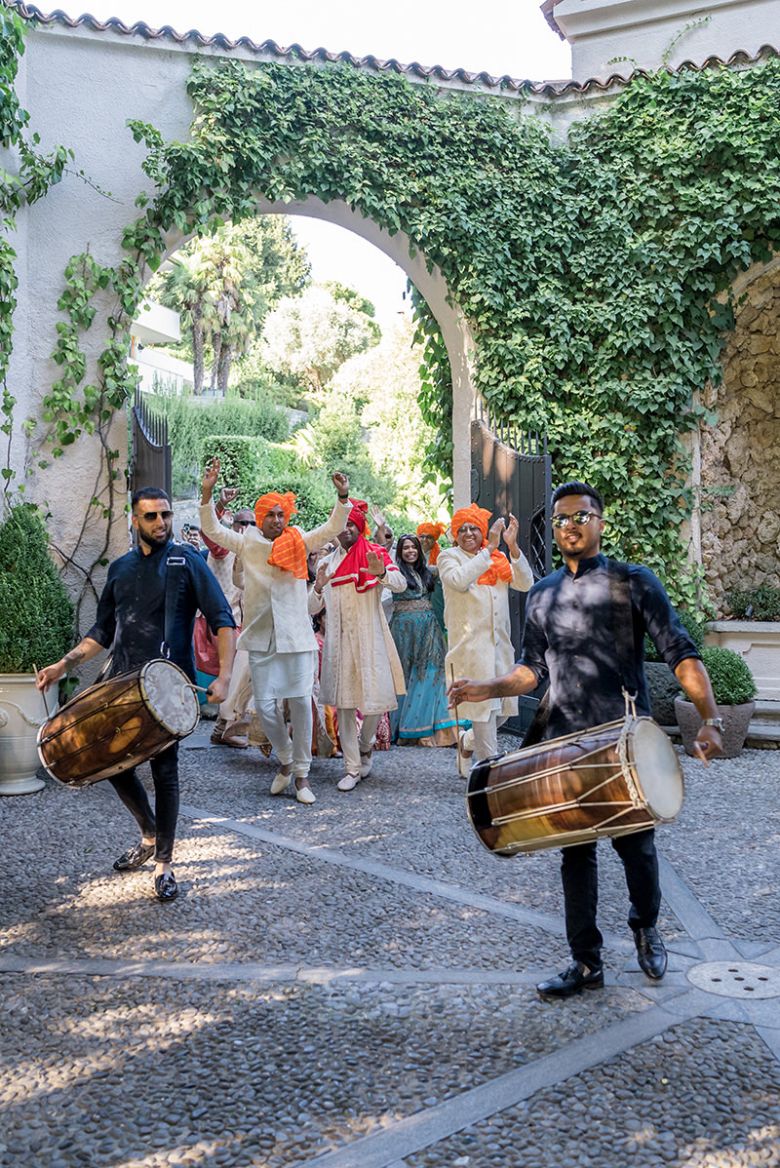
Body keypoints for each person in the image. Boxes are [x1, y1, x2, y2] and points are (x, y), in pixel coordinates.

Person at [449, 480, 724, 998]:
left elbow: (680, 652)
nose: (569, 526)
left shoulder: (633, 582)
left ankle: (645, 927)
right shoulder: (542, 593)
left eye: (580, 517)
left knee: (637, 848)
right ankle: (585, 961)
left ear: (600, 522)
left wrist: (710, 717)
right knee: (574, 854)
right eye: (560, 520)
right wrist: (484, 686)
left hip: (625, 741)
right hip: (566, 743)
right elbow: (533, 670)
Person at [37, 487, 236, 901]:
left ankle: (164, 864)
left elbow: (221, 619)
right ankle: (148, 835)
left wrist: (226, 675)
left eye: (164, 515)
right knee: (114, 765)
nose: (160, 523)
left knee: (165, 772)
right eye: (151, 516)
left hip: (168, 688)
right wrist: (63, 665)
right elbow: (102, 632)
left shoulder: (188, 562)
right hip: (119, 684)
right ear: (135, 520)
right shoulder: (121, 568)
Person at [200, 459, 352, 805]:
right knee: (265, 708)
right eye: (271, 515)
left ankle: (301, 774)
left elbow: (330, 529)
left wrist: (343, 497)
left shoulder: (298, 539)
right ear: (259, 517)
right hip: (261, 638)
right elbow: (212, 529)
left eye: (283, 515)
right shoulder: (247, 542)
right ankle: (285, 758)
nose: (278, 521)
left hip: (297, 637)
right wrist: (208, 492)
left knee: (300, 702)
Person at [309, 499, 407, 791]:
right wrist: (317, 586)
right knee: (345, 705)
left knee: (376, 699)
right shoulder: (326, 564)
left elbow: (400, 584)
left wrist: (380, 573)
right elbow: (312, 608)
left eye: (352, 524)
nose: (347, 529)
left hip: (371, 637)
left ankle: (366, 745)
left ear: (360, 526)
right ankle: (352, 767)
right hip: (339, 642)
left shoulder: (375, 554)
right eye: (343, 525)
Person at [438, 504, 534, 774]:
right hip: (470, 650)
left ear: (482, 532)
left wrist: (512, 548)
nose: (468, 533)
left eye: (474, 528)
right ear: (455, 535)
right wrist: (490, 549)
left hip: (500, 648)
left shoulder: (500, 560)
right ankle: (488, 779)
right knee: (484, 714)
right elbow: (458, 580)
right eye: (462, 529)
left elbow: (525, 583)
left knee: (502, 709)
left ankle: (467, 743)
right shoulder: (449, 557)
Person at [389, 534, 459, 746]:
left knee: (433, 672)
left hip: (429, 628)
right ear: (399, 552)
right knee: (406, 675)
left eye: (414, 547)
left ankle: (439, 731)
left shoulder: (429, 572)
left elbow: (453, 573)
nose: (410, 551)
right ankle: (406, 730)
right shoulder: (394, 573)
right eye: (406, 548)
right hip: (403, 630)